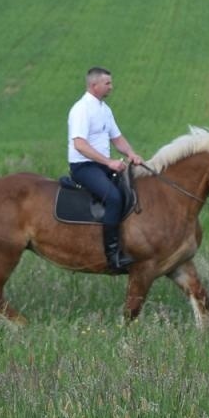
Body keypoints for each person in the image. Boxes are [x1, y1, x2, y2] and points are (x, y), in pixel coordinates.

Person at [67, 66, 145, 273]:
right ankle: (113, 256)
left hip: (101, 165)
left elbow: (117, 138)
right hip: (84, 166)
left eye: (110, 82)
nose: (112, 86)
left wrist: (131, 154)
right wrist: (109, 162)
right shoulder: (81, 109)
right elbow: (80, 145)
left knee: (134, 191)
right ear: (94, 85)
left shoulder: (104, 109)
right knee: (114, 198)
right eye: (107, 83)